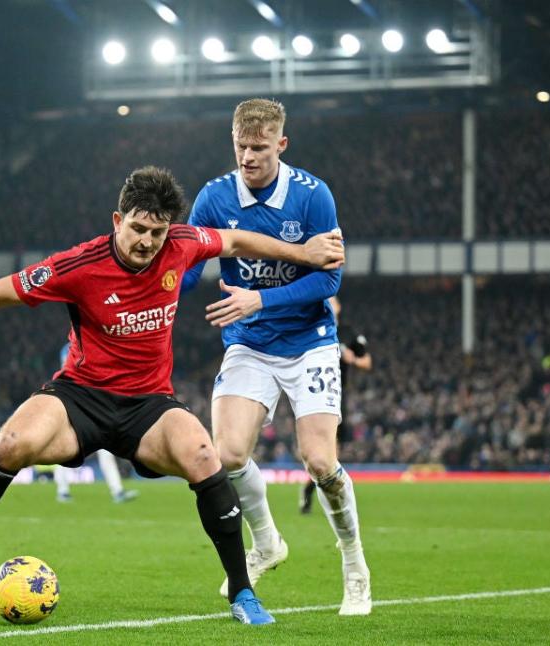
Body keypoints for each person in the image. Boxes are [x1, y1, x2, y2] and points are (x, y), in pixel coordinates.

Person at [0, 165, 344, 624]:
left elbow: (237, 240)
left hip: (148, 405)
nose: (147, 241)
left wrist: (302, 253)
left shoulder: (183, 243)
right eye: (138, 228)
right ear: (117, 221)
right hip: (80, 396)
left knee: (205, 455)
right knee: (9, 445)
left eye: (157, 233)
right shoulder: (78, 265)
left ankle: (242, 591)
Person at [181, 98, 372, 615]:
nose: (248, 156)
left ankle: (354, 565)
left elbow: (328, 277)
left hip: (309, 340)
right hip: (248, 342)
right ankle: (267, 543)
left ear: (281, 145)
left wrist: (258, 297)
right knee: (229, 455)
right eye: (241, 146)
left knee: (319, 461)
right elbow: (192, 266)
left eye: (259, 148)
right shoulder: (214, 197)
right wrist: (162, 291)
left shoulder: (313, 196)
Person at [301, 295, 371, 514]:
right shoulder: (309, 328)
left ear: (339, 307)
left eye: (332, 301)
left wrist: (353, 360)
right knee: (321, 451)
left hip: (338, 397)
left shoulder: (349, 333)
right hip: (312, 395)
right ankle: (318, 494)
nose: (328, 303)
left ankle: (312, 492)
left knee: (331, 453)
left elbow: (367, 362)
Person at [54, 342, 139, 504]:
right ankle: (62, 490)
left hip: (95, 403)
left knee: (106, 450)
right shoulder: (69, 349)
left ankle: (117, 491)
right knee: (66, 447)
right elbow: (70, 373)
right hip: (76, 402)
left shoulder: (94, 344)